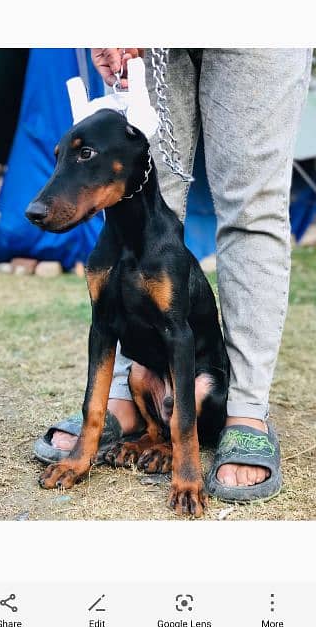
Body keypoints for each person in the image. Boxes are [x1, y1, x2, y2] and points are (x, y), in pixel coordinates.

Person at [34, 47, 312, 501]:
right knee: (150, 184)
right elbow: (100, 330)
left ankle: (242, 414)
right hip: (149, 33)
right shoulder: (102, 256)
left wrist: (184, 453)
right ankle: (122, 412)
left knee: (252, 206)